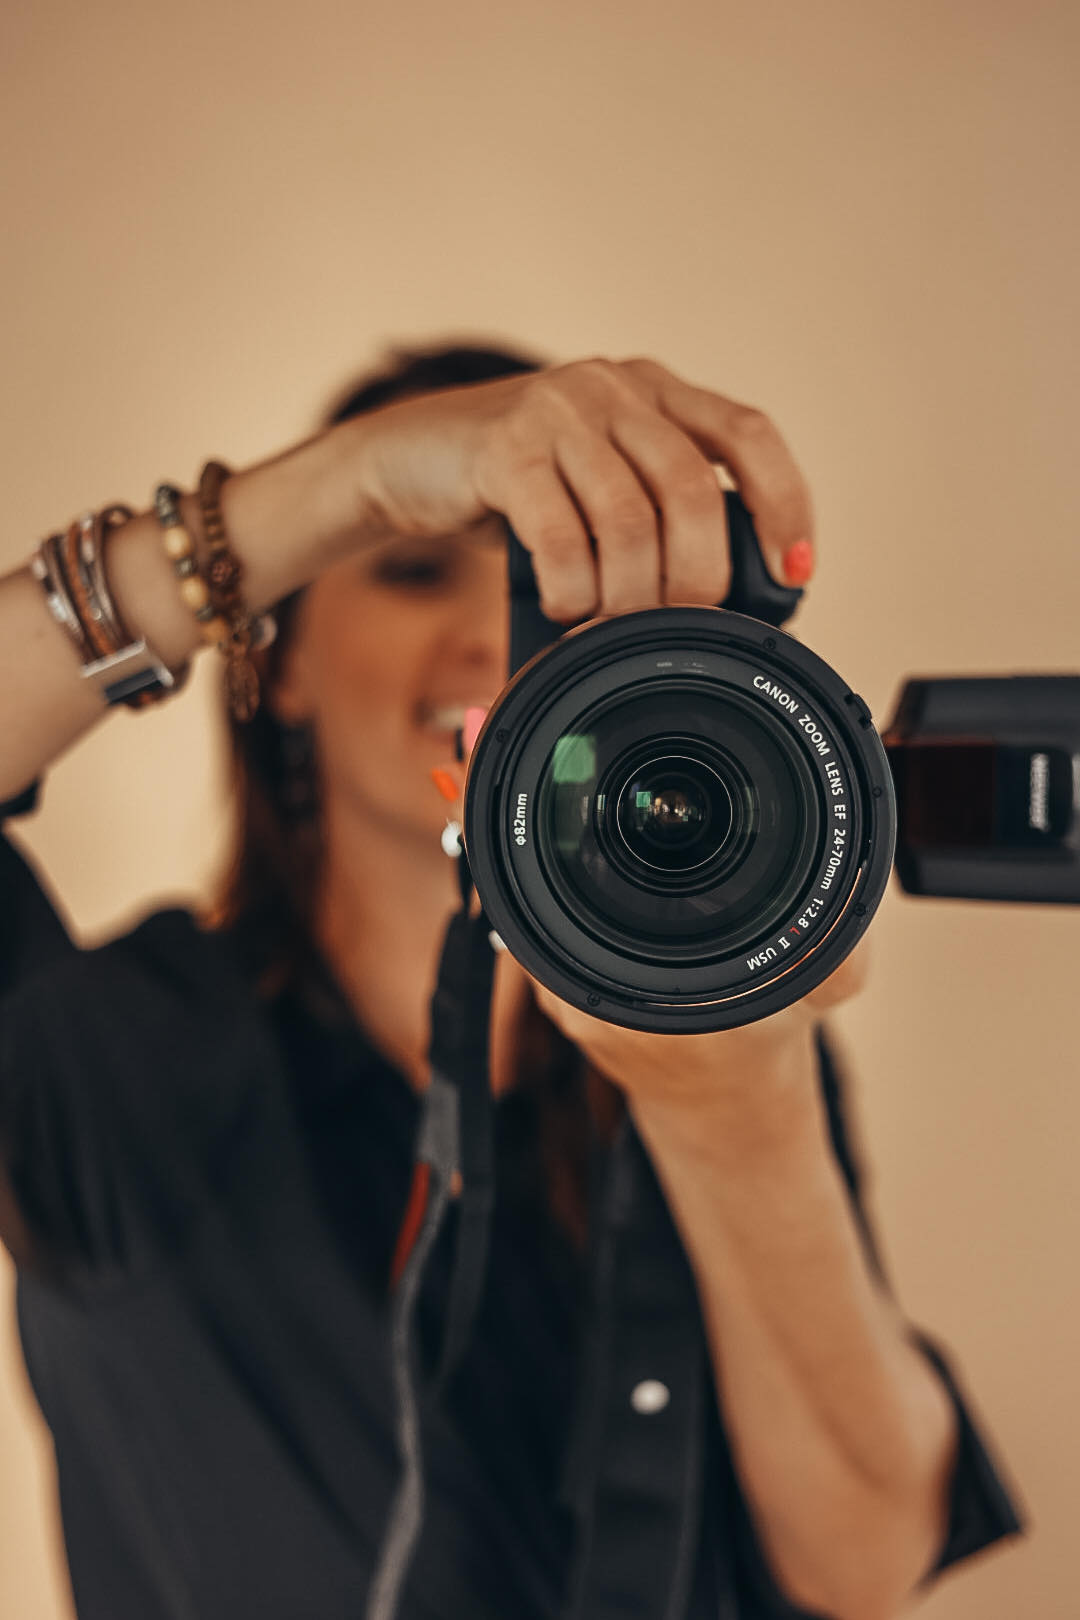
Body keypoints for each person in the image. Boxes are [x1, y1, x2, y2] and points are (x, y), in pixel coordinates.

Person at [0, 343, 1024, 1620]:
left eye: (557, 597)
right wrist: (340, 486)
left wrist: (730, 1109)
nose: (493, 633)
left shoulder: (742, 1017)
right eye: (416, 568)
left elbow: (866, 1560)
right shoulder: (119, 1050)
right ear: (290, 668)